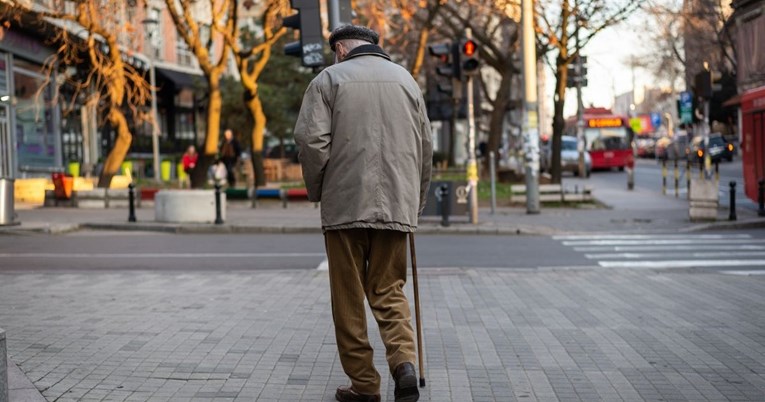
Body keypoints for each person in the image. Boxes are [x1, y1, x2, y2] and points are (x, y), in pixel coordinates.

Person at [294, 25, 432, 402]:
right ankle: (404, 362)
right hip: (396, 205)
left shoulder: (328, 80)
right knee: (390, 288)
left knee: (349, 296)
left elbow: (311, 141)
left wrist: (319, 189)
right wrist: (413, 202)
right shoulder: (406, 81)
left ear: (340, 49)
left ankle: (365, 385)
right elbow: (425, 148)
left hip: (345, 206)